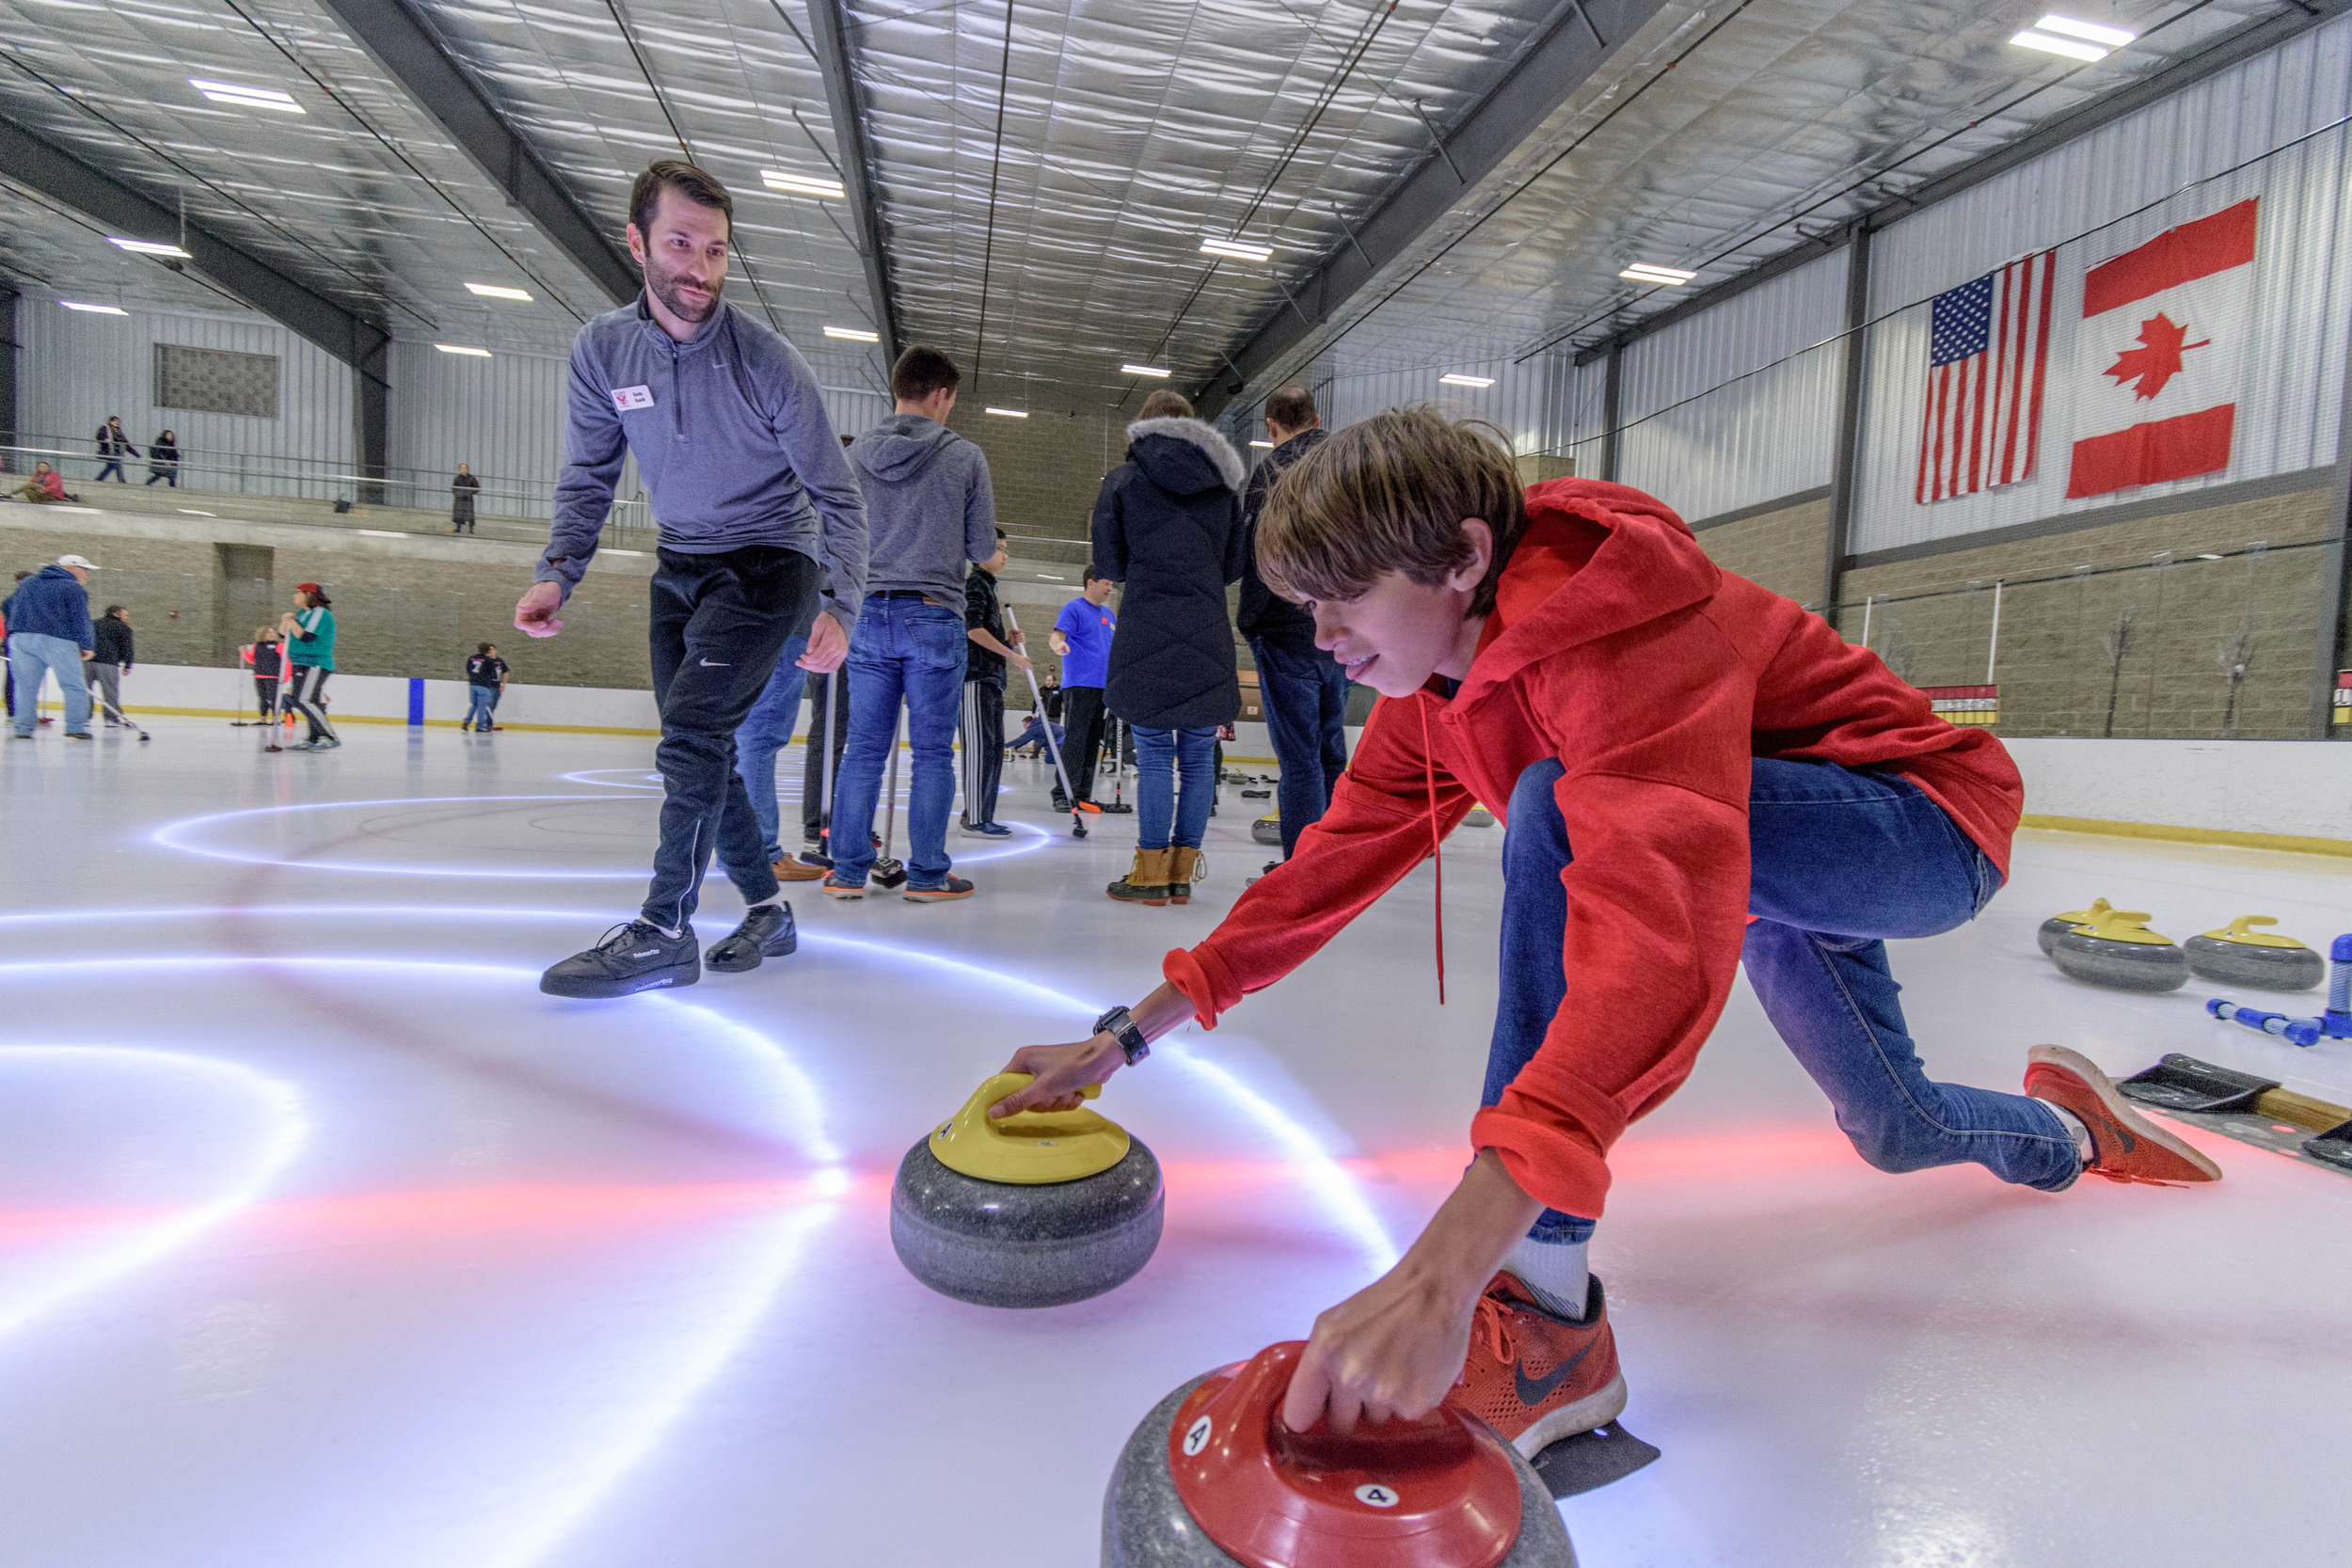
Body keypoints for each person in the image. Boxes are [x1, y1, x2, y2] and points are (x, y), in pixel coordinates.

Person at [993, 407, 2219, 1463]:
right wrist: (1123, 1037)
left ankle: (1547, 1320)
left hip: (1918, 823)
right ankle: (2072, 1127)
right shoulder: (1431, 691)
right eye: (1304, 603)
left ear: (1464, 557)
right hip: (1755, 826)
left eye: (1342, 596)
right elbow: (1322, 873)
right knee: (1892, 1128)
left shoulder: (1624, 633)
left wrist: (1458, 1259)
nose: (1318, 637)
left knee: (1552, 806)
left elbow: (1653, 944)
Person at [516, 160, 867, 996]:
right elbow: (588, 474)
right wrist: (557, 573)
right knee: (698, 753)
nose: (700, 270)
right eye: (681, 244)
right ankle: (768, 909)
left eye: (716, 251)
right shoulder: (603, 350)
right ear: (637, 242)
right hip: (680, 565)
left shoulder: (768, 363)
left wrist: (840, 604)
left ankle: (663, 928)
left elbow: (837, 494)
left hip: (768, 564)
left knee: (692, 738)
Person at [822, 345, 995, 903]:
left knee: (863, 750)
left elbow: (836, 535)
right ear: (942, 395)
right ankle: (926, 875)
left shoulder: (852, 458)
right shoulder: (966, 457)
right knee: (931, 753)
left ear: (897, 388)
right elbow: (983, 547)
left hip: (867, 613)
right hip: (934, 614)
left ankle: (847, 872)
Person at [1089, 388, 1247, 905]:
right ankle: (1181, 875)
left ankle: (1150, 873)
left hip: (1145, 628)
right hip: (1206, 627)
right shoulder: (1223, 487)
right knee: (1199, 755)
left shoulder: (1123, 480)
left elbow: (1108, 567)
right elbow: (1231, 567)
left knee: (1154, 755)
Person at [1240, 385, 1349, 873]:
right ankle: (1328, 861)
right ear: (1317, 417)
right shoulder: (1347, 463)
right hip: (1342, 628)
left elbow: (1259, 552)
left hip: (1286, 631)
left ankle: (1301, 868)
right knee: (1331, 750)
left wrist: (1252, 621)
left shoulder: (1272, 471)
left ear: (1271, 426)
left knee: (1301, 756)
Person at [961, 526, 1025, 838]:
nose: (1004, 554)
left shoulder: (988, 586)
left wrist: (1008, 644)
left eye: (1005, 549)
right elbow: (973, 631)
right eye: (999, 548)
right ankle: (974, 818)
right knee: (980, 750)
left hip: (991, 680)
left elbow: (984, 635)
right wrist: (1011, 655)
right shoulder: (975, 584)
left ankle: (981, 813)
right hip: (975, 679)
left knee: (993, 749)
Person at [6, 554, 98, 739]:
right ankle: (75, 727)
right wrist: (86, 644)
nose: (87, 575)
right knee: (73, 685)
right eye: (85, 570)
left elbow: (7, 604)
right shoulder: (73, 587)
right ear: (72, 568)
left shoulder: (29, 583)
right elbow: (81, 619)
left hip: (20, 640)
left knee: (24, 687)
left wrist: (15, 627)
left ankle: (22, 729)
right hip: (56, 639)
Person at [1048, 568, 1116, 811]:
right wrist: (1058, 645)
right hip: (1080, 684)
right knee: (1076, 740)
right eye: (1107, 583)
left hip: (1103, 687)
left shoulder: (1109, 615)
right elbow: (1056, 635)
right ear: (1090, 583)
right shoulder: (1073, 609)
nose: (1110, 588)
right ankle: (1062, 792)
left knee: (1093, 742)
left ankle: (1083, 793)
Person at [278, 584, 339, 751]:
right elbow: (284, 635)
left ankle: (329, 736)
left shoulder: (320, 613)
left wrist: (291, 621)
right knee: (302, 700)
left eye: (298, 592)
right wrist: (285, 621)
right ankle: (313, 737)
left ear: (309, 594)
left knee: (304, 699)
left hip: (315, 663)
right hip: (299, 662)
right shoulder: (302, 614)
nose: (294, 595)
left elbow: (306, 637)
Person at [88, 605, 133, 723]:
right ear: (116, 614)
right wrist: (127, 664)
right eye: (125, 615)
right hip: (108, 663)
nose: (127, 617)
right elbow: (127, 648)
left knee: (86, 691)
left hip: (88, 662)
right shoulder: (123, 628)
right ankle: (110, 718)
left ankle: (84, 716)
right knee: (110, 692)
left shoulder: (93, 623)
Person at [464, 641, 508, 732]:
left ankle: (466, 722)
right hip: (484, 686)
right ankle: (480, 726)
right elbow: (492, 673)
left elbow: (468, 669)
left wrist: (474, 678)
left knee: (474, 705)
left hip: (472, 685)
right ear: (487, 650)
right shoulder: (488, 660)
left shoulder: (472, 657)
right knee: (482, 707)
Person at [250, 626, 285, 735]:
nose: (272, 634)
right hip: (259, 675)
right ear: (263, 634)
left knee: (273, 698)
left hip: (273, 676)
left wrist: (286, 676)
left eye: (273, 632)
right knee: (262, 697)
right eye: (269, 632)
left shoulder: (279, 646)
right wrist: (244, 653)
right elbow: (252, 659)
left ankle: (275, 719)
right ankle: (263, 719)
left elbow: (286, 660)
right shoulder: (256, 646)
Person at [94, 417, 135, 483]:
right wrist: (105, 439)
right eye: (115, 421)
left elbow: (125, 444)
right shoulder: (105, 428)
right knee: (117, 466)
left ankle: (98, 480)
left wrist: (135, 453)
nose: (117, 422)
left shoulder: (119, 432)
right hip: (109, 451)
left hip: (117, 452)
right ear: (110, 421)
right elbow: (99, 436)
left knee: (110, 467)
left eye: (118, 421)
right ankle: (122, 482)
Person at [452, 464, 481, 534]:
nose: (463, 470)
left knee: (470, 515)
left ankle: (471, 529)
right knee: (458, 514)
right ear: (460, 469)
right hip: (459, 500)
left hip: (468, 500)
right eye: (462, 468)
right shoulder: (457, 478)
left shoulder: (472, 478)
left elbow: (477, 488)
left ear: (467, 469)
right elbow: (454, 488)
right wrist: (458, 493)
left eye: (465, 468)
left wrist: (470, 493)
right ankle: (458, 528)